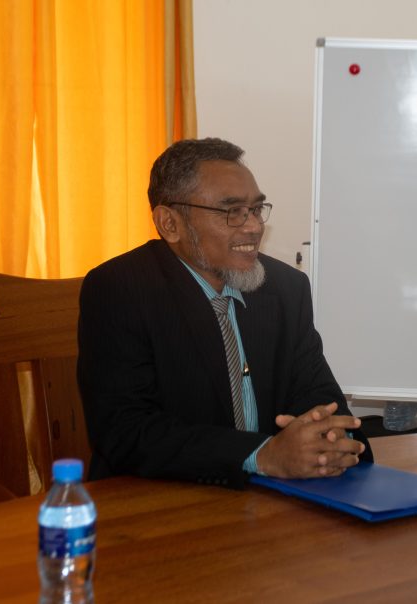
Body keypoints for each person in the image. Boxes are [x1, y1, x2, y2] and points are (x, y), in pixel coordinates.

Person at [77, 137, 372, 488]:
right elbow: (126, 430)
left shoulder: (287, 288)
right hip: (160, 497)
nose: (254, 226)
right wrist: (260, 455)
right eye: (232, 211)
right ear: (170, 223)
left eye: (256, 209)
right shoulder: (121, 289)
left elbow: (318, 397)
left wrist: (331, 442)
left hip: (271, 499)